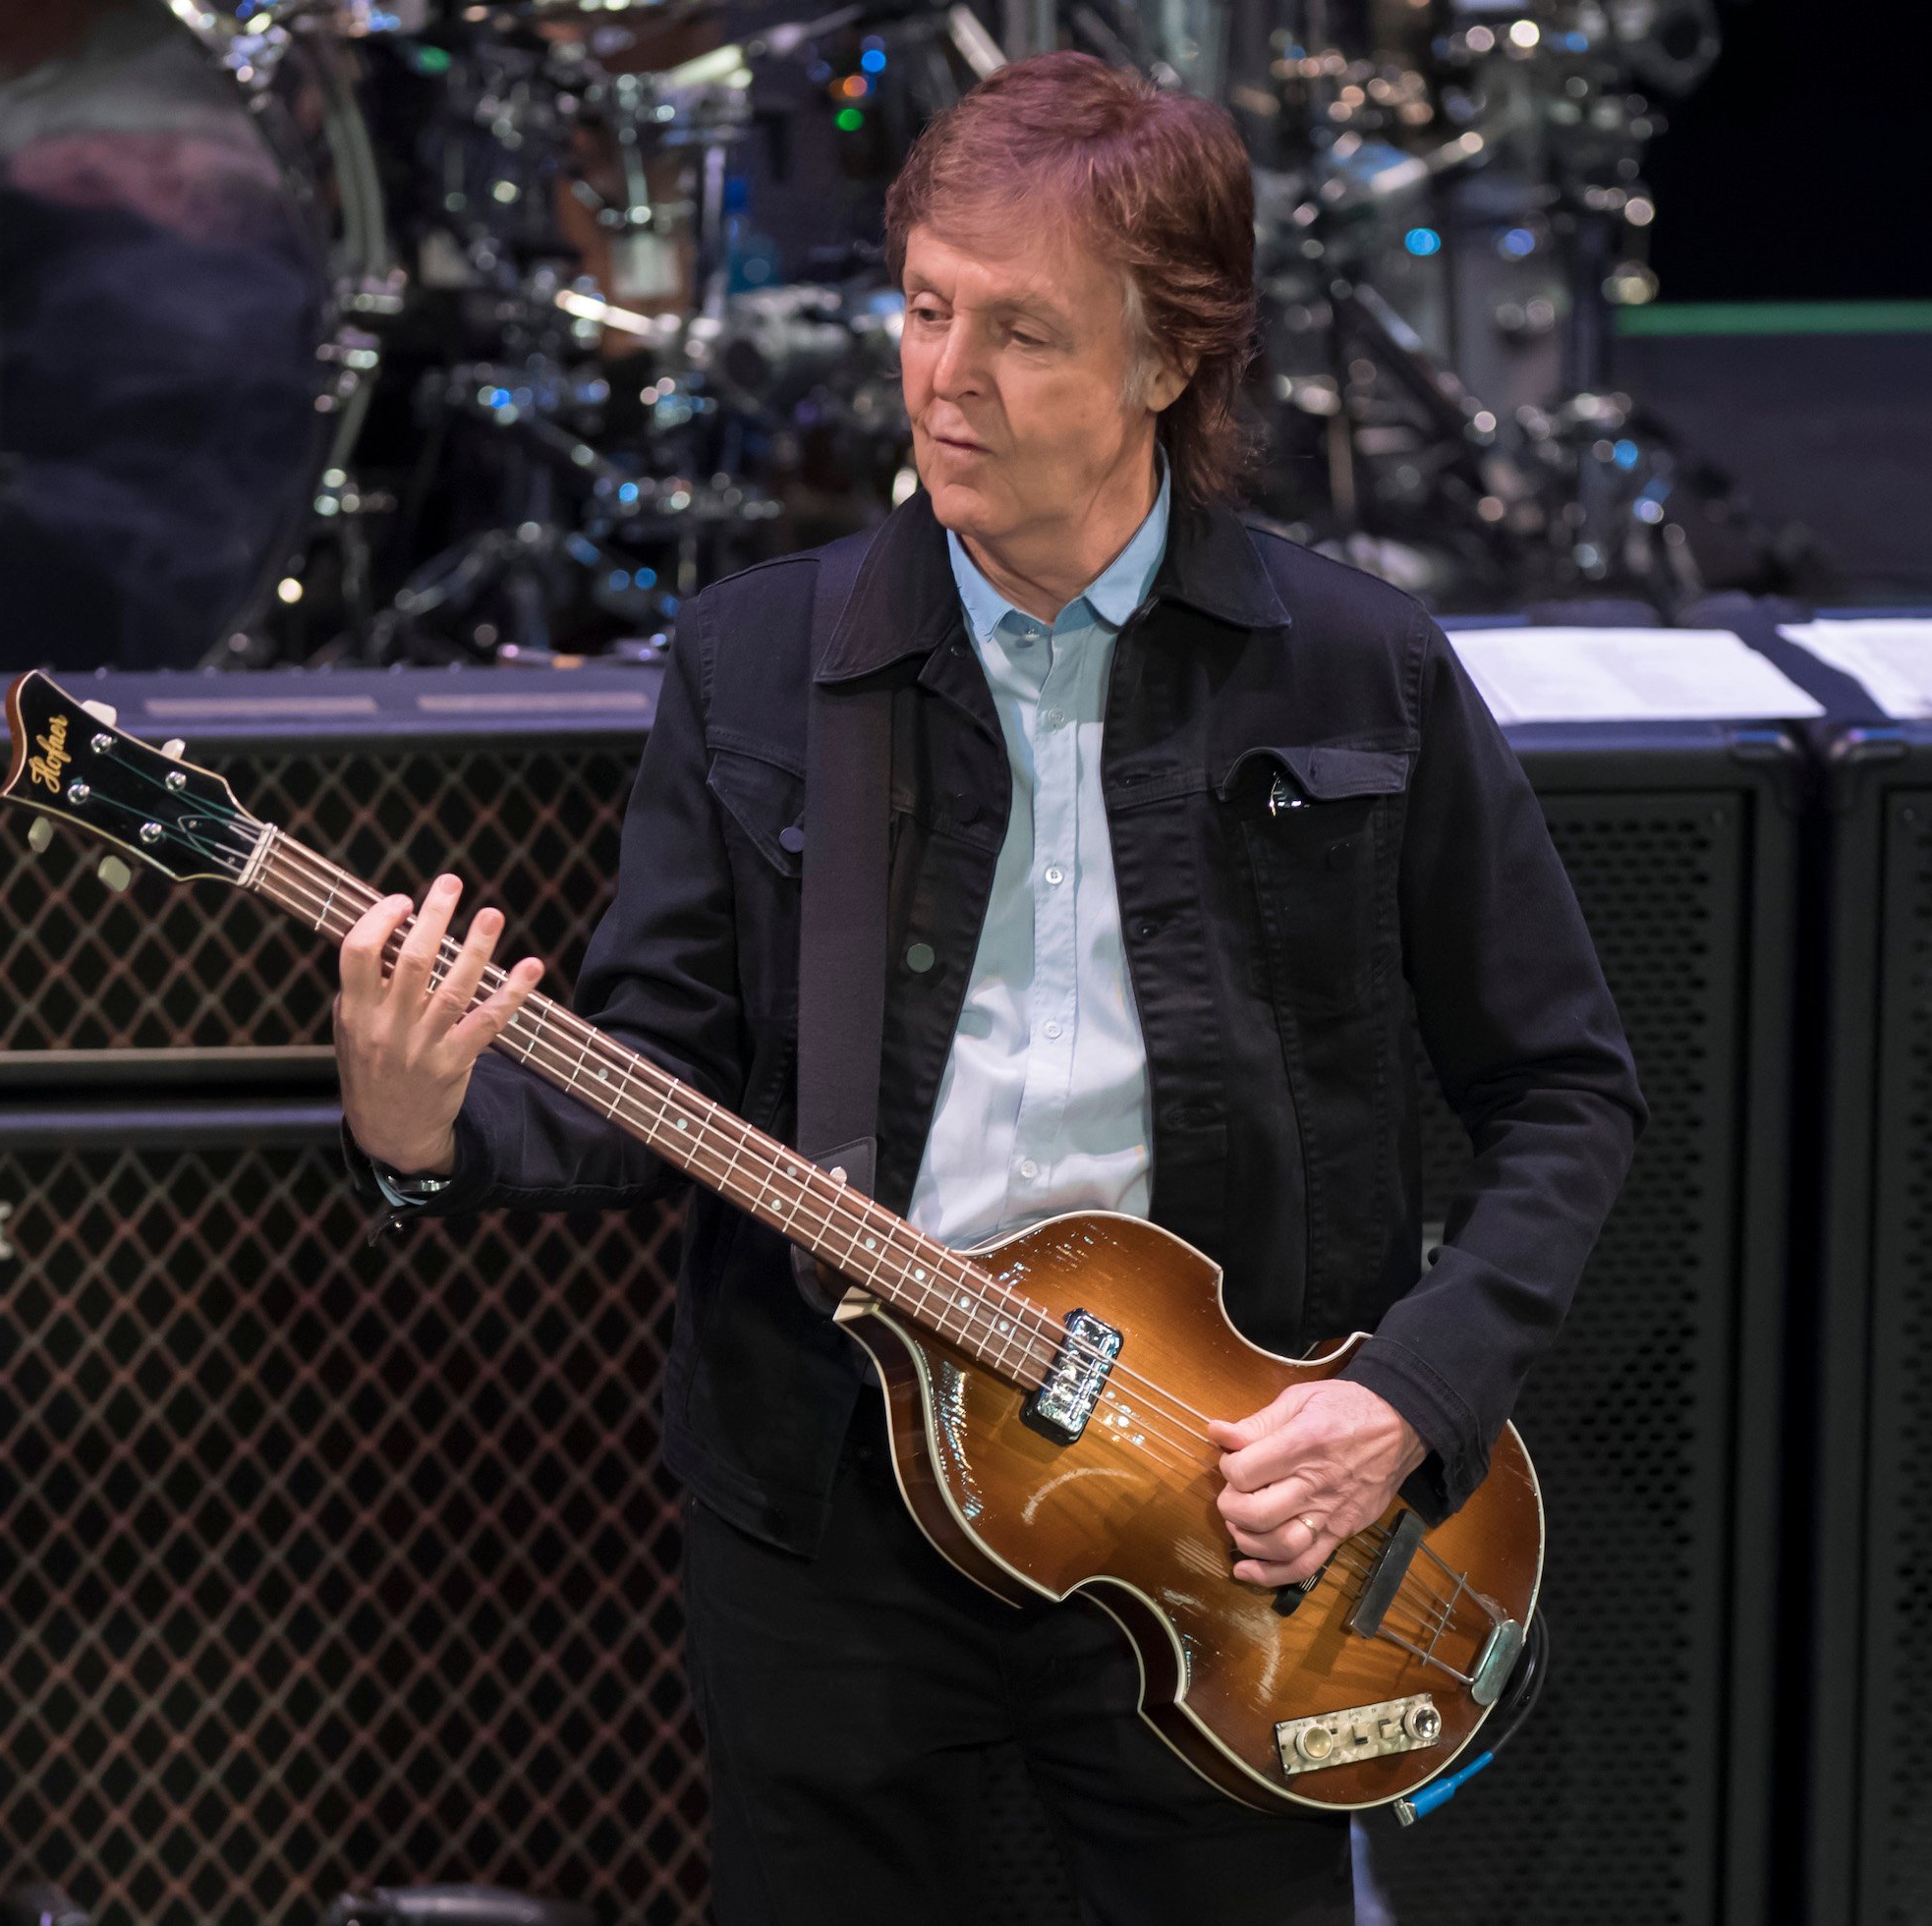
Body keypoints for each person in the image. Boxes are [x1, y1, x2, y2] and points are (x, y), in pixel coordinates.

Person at [333, 51, 1645, 1926]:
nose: (945, 380)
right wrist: (422, 1127)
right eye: (926, 309)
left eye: (1021, 333)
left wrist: (1407, 1400)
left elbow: (1568, 1092)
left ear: (1170, 360)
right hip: (833, 1520)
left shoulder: (1362, 673)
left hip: (1232, 1510)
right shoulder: (756, 661)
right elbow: (650, 1073)